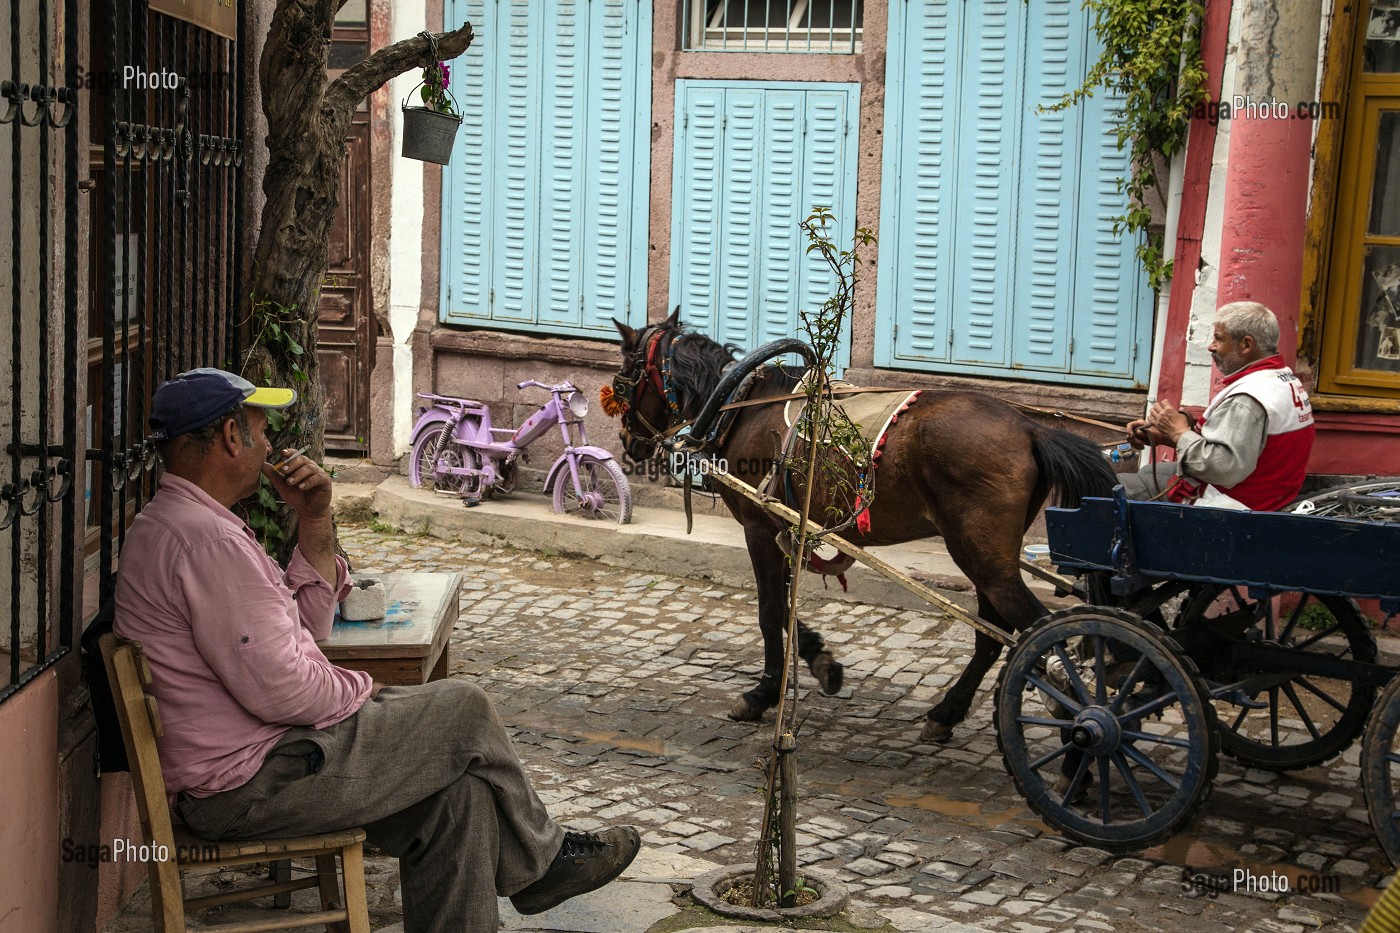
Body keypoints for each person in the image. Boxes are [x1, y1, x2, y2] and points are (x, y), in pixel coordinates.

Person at [113, 367, 639, 933]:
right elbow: (283, 689)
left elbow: (303, 634)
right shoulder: (204, 540)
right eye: (261, 429)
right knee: (462, 708)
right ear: (230, 438)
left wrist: (313, 518)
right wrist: (368, 694)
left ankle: (541, 868)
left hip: (267, 763)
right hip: (248, 787)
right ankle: (544, 861)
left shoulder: (189, 526)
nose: (269, 443)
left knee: (460, 798)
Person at [1123, 301, 1315, 511]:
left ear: (1246, 345)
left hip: (1234, 505)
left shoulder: (1247, 399)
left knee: (1110, 488)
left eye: (1218, 338)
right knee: (1148, 472)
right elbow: (1240, 446)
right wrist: (1164, 436)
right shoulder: (1282, 379)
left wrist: (1179, 433)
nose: (1211, 346)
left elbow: (1224, 469)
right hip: (1269, 493)